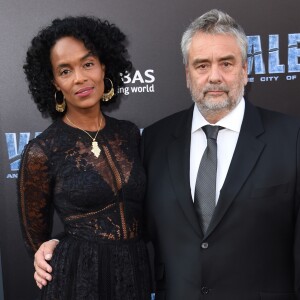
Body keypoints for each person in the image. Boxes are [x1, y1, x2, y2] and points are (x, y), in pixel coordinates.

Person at [33, 9, 300, 300]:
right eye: (201, 65)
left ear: (245, 70)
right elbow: (128, 218)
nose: (214, 76)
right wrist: (60, 242)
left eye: (226, 63)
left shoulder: (291, 138)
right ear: (187, 74)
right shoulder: (155, 140)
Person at [18, 16, 151, 300]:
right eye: (65, 71)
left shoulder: (129, 134)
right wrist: (51, 243)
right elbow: (36, 241)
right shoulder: (43, 150)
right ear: (54, 82)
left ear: (104, 66)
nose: (80, 77)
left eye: (88, 64)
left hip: (134, 273)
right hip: (78, 280)